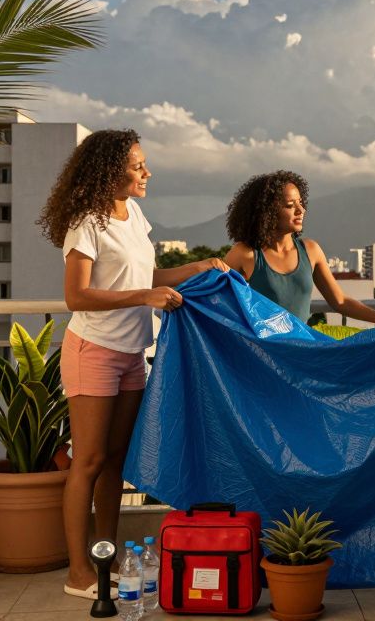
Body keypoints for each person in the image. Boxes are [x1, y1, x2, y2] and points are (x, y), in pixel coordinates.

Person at [37, 129, 228, 598]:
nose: (148, 172)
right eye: (138, 165)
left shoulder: (134, 214)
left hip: (132, 354)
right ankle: (78, 572)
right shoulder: (87, 222)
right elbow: (76, 295)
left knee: (115, 463)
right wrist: (145, 295)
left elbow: (147, 277)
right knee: (89, 460)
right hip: (94, 352)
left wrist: (196, 269)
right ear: (109, 169)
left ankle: (106, 555)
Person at [222, 170, 375, 326]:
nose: (300, 210)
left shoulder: (311, 251)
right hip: (267, 352)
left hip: (305, 349)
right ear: (267, 212)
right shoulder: (245, 254)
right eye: (290, 205)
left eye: (300, 203)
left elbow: (340, 301)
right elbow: (214, 299)